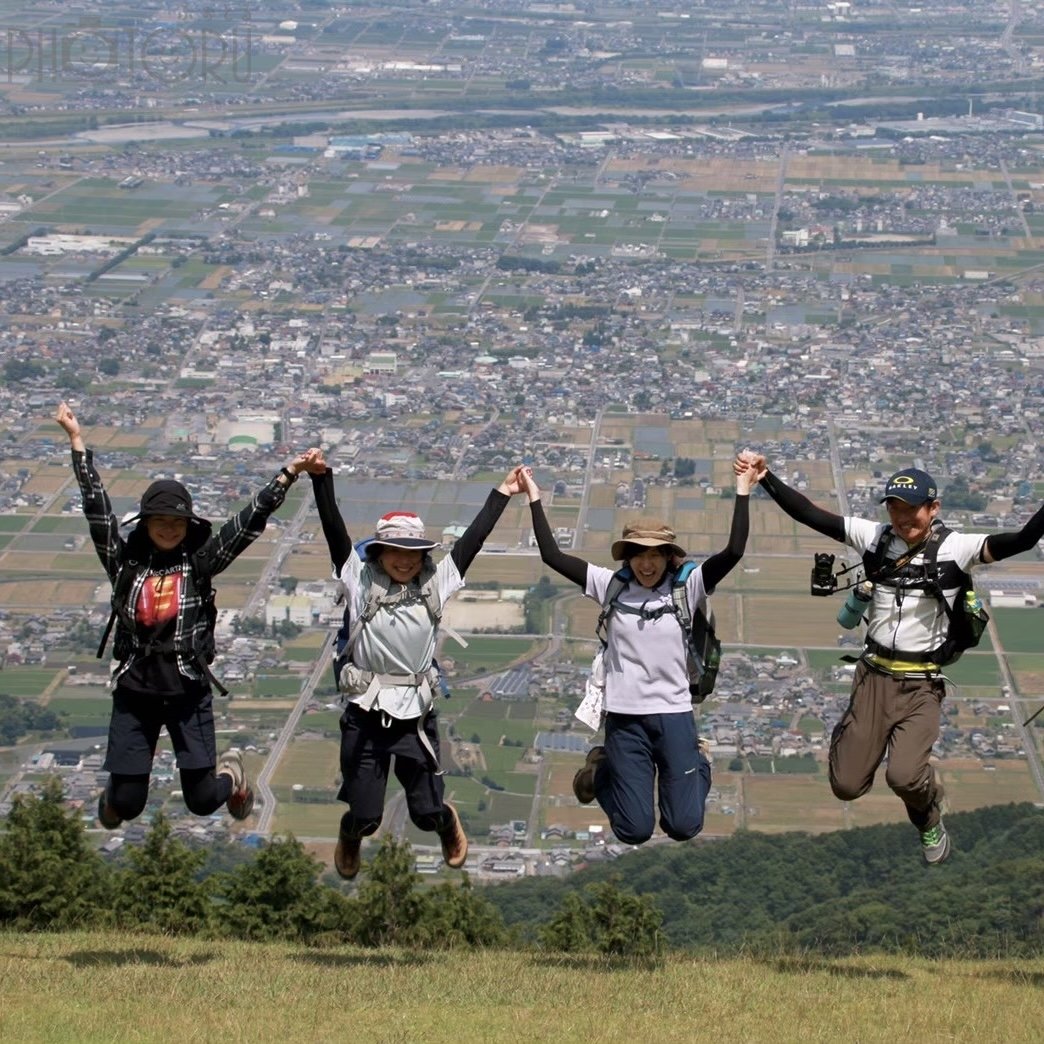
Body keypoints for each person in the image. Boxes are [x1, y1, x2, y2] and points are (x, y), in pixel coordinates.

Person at [736, 452, 1044, 865]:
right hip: (873, 677)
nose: (902, 518)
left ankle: (929, 812)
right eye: (895, 509)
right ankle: (853, 739)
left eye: (911, 509)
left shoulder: (958, 548)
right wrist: (766, 477)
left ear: (933, 508)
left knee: (903, 775)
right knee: (845, 785)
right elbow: (812, 515)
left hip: (921, 684)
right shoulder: (876, 539)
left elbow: (1021, 540)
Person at [55, 401, 313, 829]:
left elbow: (247, 523)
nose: (169, 528)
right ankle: (117, 793)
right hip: (136, 692)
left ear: (188, 525)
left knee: (199, 800)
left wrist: (288, 474)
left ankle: (230, 776)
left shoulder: (199, 563)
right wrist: (76, 441)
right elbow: (96, 510)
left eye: (177, 521)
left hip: (187, 690)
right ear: (146, 522)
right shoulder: (125, 562)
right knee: (128, 804)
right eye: (160, 520)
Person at [304, 452, 528, 878]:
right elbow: (334, 529)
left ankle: (446, 824)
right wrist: (322, 478)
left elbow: (471, 543)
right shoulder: (359, 579)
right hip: (365, 714)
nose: (404, 561)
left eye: (412, 553)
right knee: (365, 815)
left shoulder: (434, 583)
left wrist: (503, 492)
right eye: (394, 551)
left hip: (415, 716)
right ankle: (350, 833)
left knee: (426, 810)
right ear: (379, 550)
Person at [519, 464, 753, 846]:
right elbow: (551, 555)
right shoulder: (610, 585)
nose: (646, 564)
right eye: (638, 555)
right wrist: (534, 497)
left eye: (655, 555)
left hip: (675, 715)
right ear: (627, 556)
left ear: (668, 556)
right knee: (634, 830)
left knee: (683, 826)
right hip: (625, 720)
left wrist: (742, 490)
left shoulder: (688, 587)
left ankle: (701, 760)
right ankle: (602, 769)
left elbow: (734, 551)